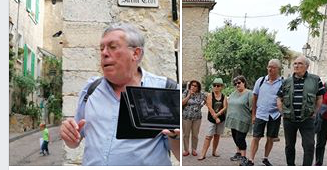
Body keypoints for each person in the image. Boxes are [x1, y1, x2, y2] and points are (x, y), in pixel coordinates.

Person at [60, 22, 180, 165]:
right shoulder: (90, 90)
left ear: (135, 53)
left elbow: (180, 156)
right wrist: (69, 136)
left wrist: (175, 137)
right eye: (101, 48)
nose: (104, 53)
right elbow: (75, 140)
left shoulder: (165, 91)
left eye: (112, 47)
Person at [277, 55, 325, 166]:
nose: (296, 65)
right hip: (289, 119)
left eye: (300, 63)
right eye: (295, 63)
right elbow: (279, 97)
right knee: (289, 146)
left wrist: (315, 111)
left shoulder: (315, 79)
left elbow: (319, 97)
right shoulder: (286, 81)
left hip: (307, 119)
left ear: (307, 66)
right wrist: (282, 112)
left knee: (309, 145)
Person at [248, 59, 284, 167]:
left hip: (275, 115)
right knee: (256, 137)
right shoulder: (261, 80)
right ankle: (251, 159)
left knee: (270, 138)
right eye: (269, 66)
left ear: (278, 69)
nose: (270, 69)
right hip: (261, 113)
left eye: (273, 67)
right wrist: (253, 114)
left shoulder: (283, 82)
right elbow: (254, 97)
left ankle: (265, 158)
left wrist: (282, 112)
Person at [225, 76, 253, 165]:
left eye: (239, 82)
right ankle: (238, 153)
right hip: (233, 120)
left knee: (240, 138)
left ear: (244, 83)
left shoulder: (249, 93)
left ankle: (244, 157)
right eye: (235, 83)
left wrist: (253, 118)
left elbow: (253, 108)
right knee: (235, 137)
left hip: (243, 120)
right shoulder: (233, 93)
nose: (237, 84)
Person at [198, 78, 228, 160]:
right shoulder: (210, 95)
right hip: (212, 119)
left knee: (217, 136)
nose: (216, 87)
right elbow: (209, 107)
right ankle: (203, 154)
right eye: (214, 85)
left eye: (218, 85)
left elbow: (225, 107)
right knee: (208, 136)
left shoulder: (224, 96)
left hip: (221, 119)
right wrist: (215, 117)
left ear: (221, 87)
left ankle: (214, 151)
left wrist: (218, 115)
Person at [182, 80, 206, 157]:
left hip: (197, 117)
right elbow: (182, 102)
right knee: (186, 134)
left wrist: (201, 106)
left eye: (195, 86)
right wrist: (189, 95)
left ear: (198, 87)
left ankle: (194, 149)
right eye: (192, 85)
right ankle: (186, 150)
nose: (193, 87)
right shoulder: (186, 92)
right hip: (186, 117)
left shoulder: (201, 94)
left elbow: (207, 100)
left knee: (195, 134)